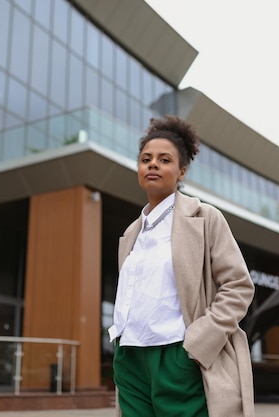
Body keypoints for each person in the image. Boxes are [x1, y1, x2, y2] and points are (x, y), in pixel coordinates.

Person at [108, 115, 255, 417]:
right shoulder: (131, 234)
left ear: (181, 171)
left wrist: (197, 344)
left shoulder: (204, 218)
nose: (152, 165)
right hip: (130, 357)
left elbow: (238, 285)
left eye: (164, 160)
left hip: (178, 354)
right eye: (146, 159)